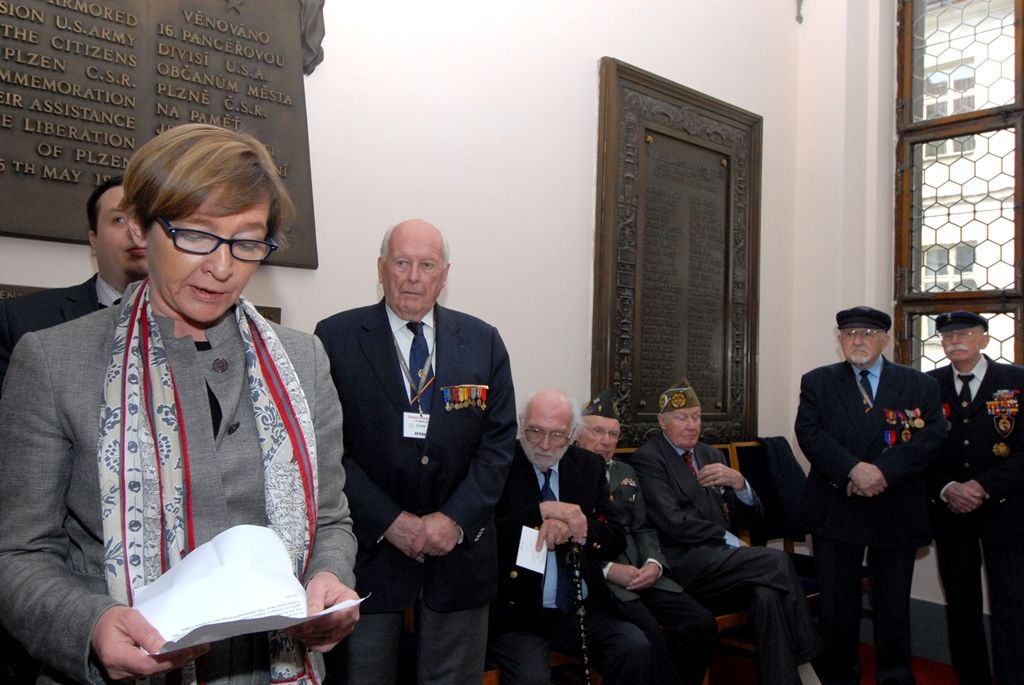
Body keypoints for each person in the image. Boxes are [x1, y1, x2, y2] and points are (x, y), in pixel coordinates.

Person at [0, 123, 359, 685]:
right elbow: (18, 554)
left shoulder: (303, 359)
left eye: (247, 242)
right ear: (140, 227)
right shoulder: (53, 360)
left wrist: (329, 577)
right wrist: (91, 624)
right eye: (197, 235)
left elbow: (331, 518)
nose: (223, 267)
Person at [314, 219, 516, 685]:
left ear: (444, 275)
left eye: (427, 265)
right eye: (402, 262)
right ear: (381, 268)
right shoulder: (335, 337)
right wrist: (388, 519)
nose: (413, 277)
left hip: (460, 556)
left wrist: (454, 519)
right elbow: (326, 448)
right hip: (367, 555)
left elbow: (498, 445)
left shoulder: (483, 341)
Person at [632, 378, 820, 685]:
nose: (691, 425)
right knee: (777, 561)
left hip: (725, 562)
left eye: (696, 417)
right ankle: (808, 657)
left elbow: (754, 518)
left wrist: (740, 484)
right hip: (684, 562)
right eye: (682, 418)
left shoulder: (711, 454)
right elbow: (673, 522)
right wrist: (728, 539)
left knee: (767, 594)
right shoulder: (649, 459)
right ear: (662, 422)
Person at [795, 305, 945, 685]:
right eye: (849, 334)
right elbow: (809, 433)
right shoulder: (818, 381)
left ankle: (895, 676)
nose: (857, 340)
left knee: (893, 603)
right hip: (836, 505)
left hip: (895, 506)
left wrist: (881, 472)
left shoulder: (920, 384)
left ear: (885, 339)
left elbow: (931, 438)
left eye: (867, 333)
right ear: (840, 339)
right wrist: (853, 469)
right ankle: (839, 676)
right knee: (837, 604)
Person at [488, 388, 652, 685]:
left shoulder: (588, 465)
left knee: (634, 647)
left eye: (557, 435)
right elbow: (485, 533)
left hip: (580, 607)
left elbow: (616, 537)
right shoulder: (499, 463)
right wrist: (540, 514)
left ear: (573, 433)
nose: (544, 445)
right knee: (531, 679)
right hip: (519, 614)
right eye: (535, 431)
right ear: (522, 424)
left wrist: (579, 528)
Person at [576, 388, 716, 685]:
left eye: (613, 434)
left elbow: (642, 527)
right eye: (597, 431)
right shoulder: (567, 472)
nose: (606, 441)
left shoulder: (625, 471)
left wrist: (654, 563)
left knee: (700, 623)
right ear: (577, 433)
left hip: (642, 571)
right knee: (648, 635)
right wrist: (609, 569)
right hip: (602, 578)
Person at [926, 311, 1024, 684]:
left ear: (984, 338)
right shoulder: (928, 385)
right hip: (952, 512)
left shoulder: (1016, 380)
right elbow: (918, 449)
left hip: (1008, 511)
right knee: (961, 604)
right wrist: (947, 487)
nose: (955, 341)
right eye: (947, 336)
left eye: (964, 334)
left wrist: (983, 486)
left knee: (1012, 603)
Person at [0, 175, 148, 394]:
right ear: (93, 240)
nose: (136, 231)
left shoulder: (198, 322)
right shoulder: (20, 321)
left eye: (147, 218)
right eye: (119, 219)